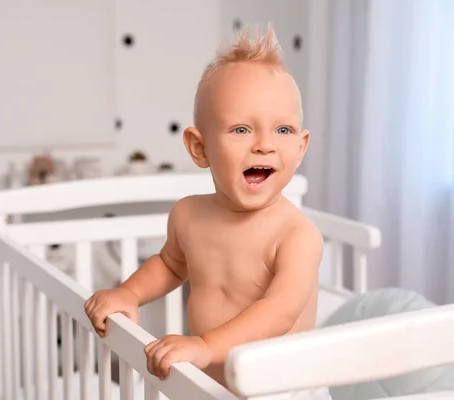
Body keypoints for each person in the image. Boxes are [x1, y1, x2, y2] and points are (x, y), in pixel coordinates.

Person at [84, 24, 330, 399]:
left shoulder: (297, 235)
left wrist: (205, 345)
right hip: (207, 383)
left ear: (301, 147)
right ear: (199, 148)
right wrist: (129, 294)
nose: (264, 145)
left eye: (282, 130)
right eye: (241, 129)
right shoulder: (188, 215)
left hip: (281, 388)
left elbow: (280, 311)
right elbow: (169, 265)